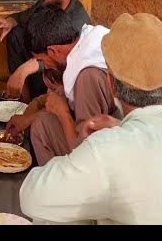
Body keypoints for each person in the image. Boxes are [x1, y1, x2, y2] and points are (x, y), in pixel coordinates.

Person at [20, 13, 162, 225]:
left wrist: (63, 113)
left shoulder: (108, 148)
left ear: (111, 83)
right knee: (42, 122)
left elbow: (30, 196)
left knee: (47, 216)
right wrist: (120, 125)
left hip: (90, 164)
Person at [12, 7, 117, 166]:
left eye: (41, 60)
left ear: (52, 51)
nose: (44, 66)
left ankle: (57, 186)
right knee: (41, 113)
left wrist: (63, 114)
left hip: (106, 157)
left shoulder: (86, 77)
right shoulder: (88, 41)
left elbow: (86, 154)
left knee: (41, 125)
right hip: (119, 133)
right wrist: (27, 119)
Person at [0, 0, 91, 101]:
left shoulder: (75, 24)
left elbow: (59, 60)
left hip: (60, 77)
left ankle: (38, 102)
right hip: (41, 61)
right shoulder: (49, 1)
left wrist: (25, 69)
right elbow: (26, 16)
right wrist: (10, 22)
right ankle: (21, 99)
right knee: (16, 34)